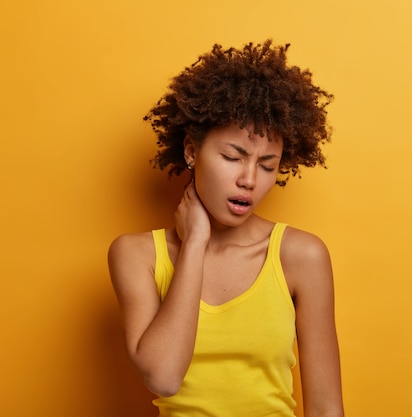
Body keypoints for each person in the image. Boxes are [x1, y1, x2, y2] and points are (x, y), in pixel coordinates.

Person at [108, 40, 344, 417]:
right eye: (233, 157)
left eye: (267, 165)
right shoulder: (136, 255)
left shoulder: (300, 256)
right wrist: (195, 242)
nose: (249, 179)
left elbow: (327, 408)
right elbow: (165, 377)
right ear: (190, 151)